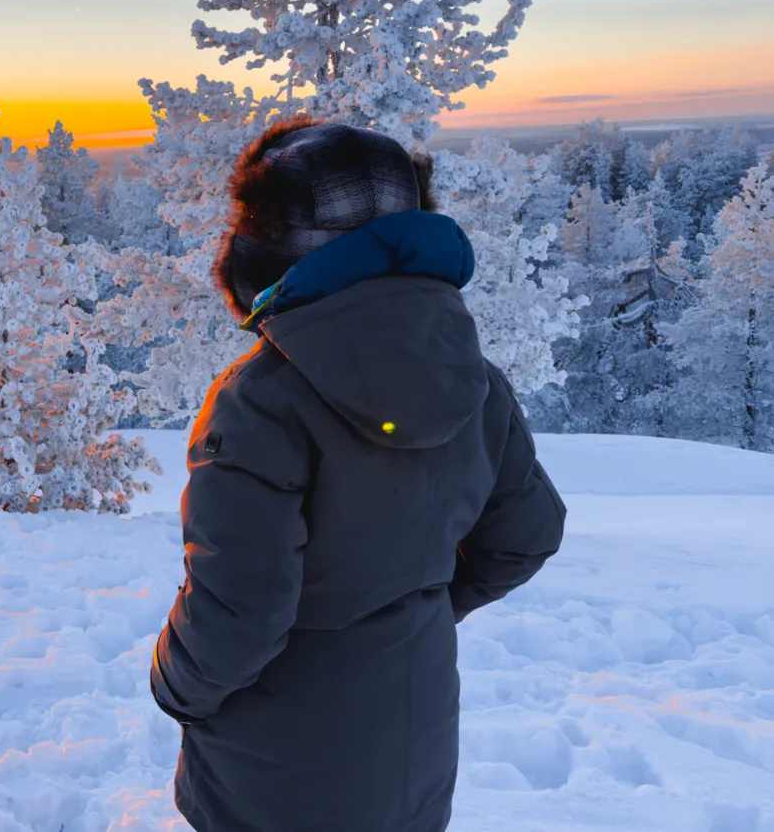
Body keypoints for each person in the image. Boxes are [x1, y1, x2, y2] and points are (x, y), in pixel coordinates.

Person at [149, 117, 567, 832]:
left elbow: (238, 617)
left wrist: (172, 684)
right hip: (415, 748)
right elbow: (527, 532)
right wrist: (421, 604)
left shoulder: (261, 400)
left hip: (277, 775)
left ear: (264, 252)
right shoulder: (473, 379)